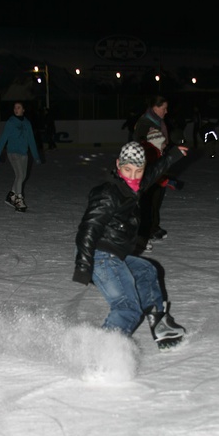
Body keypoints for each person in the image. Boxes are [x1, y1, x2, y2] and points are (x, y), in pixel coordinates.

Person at [72, 140, 188, 351]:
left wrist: (173, 156)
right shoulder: (108, 193)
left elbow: (153, 173)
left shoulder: (133, 184)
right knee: (128, 308)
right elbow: (88, 229)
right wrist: (83, 266)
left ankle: (159, 322)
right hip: (99, 254)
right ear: (118, 165)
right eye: (127, 170)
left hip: (114, 254)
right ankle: (101, 354)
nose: (132, 177)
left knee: (146, 270)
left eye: (138, 171)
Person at [134, 96, 170, 243]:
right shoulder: (145, 123)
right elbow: (144, 143)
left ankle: (153, 226)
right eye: (164, 108)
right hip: (149, 165)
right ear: (155, 108)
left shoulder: (156, 122)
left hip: (156, 163)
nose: (166, 111)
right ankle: (147, 230)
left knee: (157, 197)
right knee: (150, 198)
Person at [0, 101, 41, 213]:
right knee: (19, 175)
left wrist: (36, 156)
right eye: (15, 107)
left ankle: (11, 195)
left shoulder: (27, 123)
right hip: (13, 152)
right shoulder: (11, 122)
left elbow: (31, 140)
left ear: (23, 110)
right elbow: (4, 138)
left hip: (24, 153)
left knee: (23, 176)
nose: (16, 109)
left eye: (18, 107)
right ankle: (19, 199)